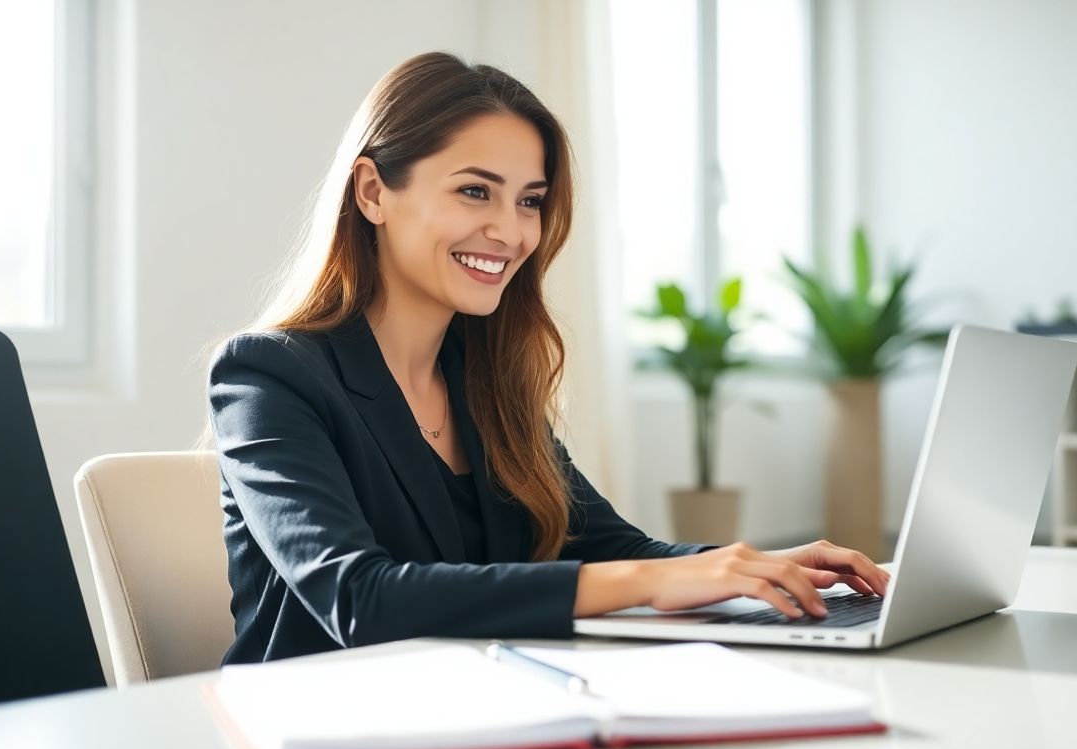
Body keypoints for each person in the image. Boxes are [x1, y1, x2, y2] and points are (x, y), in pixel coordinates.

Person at [207, 51, 889, 664]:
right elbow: (361, 600)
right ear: (373, 192)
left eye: (529, 201)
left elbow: (615, 552)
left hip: (481, 717)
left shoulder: (483, 381)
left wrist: (753, 567)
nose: (510, 231)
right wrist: (659, 580)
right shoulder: (269, 376)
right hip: (319, 731)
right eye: (475, 190)